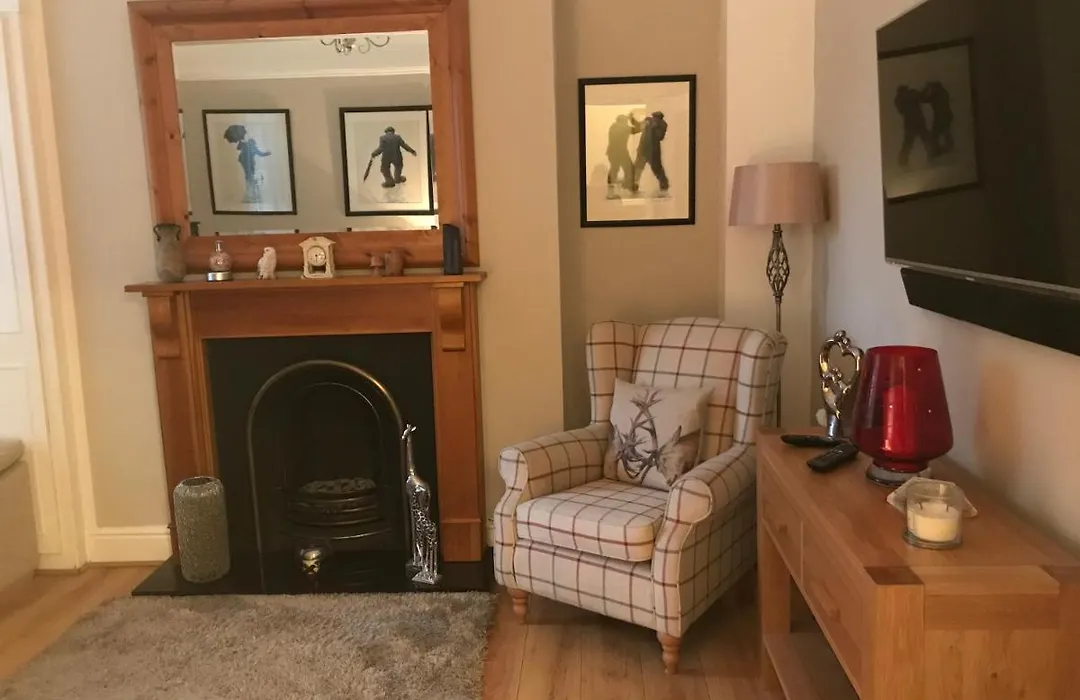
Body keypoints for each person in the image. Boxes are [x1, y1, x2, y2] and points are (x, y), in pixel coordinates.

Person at [223, 124, 271, 204]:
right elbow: (260, 153)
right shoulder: (248, 145)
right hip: (247, 164)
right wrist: (267, 153)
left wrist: (267, 153)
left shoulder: (248, 146)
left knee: (249, 178)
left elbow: (260, 153)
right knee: (249, 177)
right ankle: (251, 195)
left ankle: (251, 195)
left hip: (248, 164)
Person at [632, 111, 670, 193]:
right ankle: (634, 185)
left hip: (651, 150)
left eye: (656, 118)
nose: (654, 119)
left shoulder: (661, 124)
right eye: (654, 118)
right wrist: (632, 119)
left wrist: (655, 128)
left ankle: (664, 185)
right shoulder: (648, 121)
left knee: (655, 168)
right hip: (646, 149)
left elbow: (660, 136)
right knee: (639, 167)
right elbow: (638, 127)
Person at [894, 85, 932, 167]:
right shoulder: (912, 93)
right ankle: (932, 156)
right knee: (926, 139)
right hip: (918, 120)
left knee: (908, 143)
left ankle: (903, 162)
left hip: (909, 122)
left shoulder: (898, 98)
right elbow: (923, 97)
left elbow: (901, 111)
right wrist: (927, 88)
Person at [605, 114, 639, 196]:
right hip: (621, 152)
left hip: (612, 152)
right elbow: (638, 129)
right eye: (626, 121)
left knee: (614, 169)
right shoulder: (624, 128)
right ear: (623, 121)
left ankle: (611, 188)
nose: (627, 122)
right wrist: (632, 119)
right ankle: (629, 185)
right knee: (630, 169)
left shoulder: (613, 127)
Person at [922, 80, 954, 158]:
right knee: (946, 131)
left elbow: (923, 99)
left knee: (935, 135)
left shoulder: (936, 94)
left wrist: (925, 89)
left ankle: (936, 151)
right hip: (947, 115)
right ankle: (949, 148)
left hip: (940, 117)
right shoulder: (943, 92)